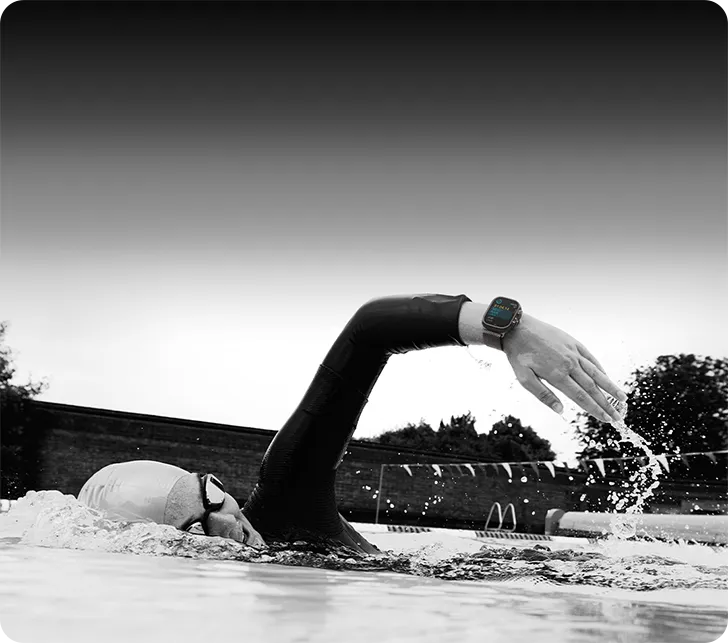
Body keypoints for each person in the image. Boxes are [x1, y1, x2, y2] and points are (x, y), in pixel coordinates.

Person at [78, 293, 627, 554]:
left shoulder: (286, 499)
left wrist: (508, 328)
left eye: (211, 497)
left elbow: (369, 331)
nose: (223, 523)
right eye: (194, 531)